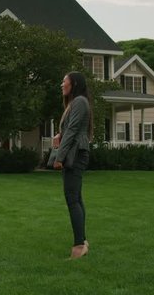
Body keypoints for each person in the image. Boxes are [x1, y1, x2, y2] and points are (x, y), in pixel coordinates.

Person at [52, 71, 93, 260]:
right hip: (76, 152)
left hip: (75, 154)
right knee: (76, 197)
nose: (61, 85)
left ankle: (78, 246)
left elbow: (73, 130)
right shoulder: (76, 103)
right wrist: (59, 136)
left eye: (64, 81)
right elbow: (69, 130)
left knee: (72, 199)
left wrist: (58, 157)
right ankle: (82, 241)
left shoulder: (79, 102)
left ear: (73, 84)